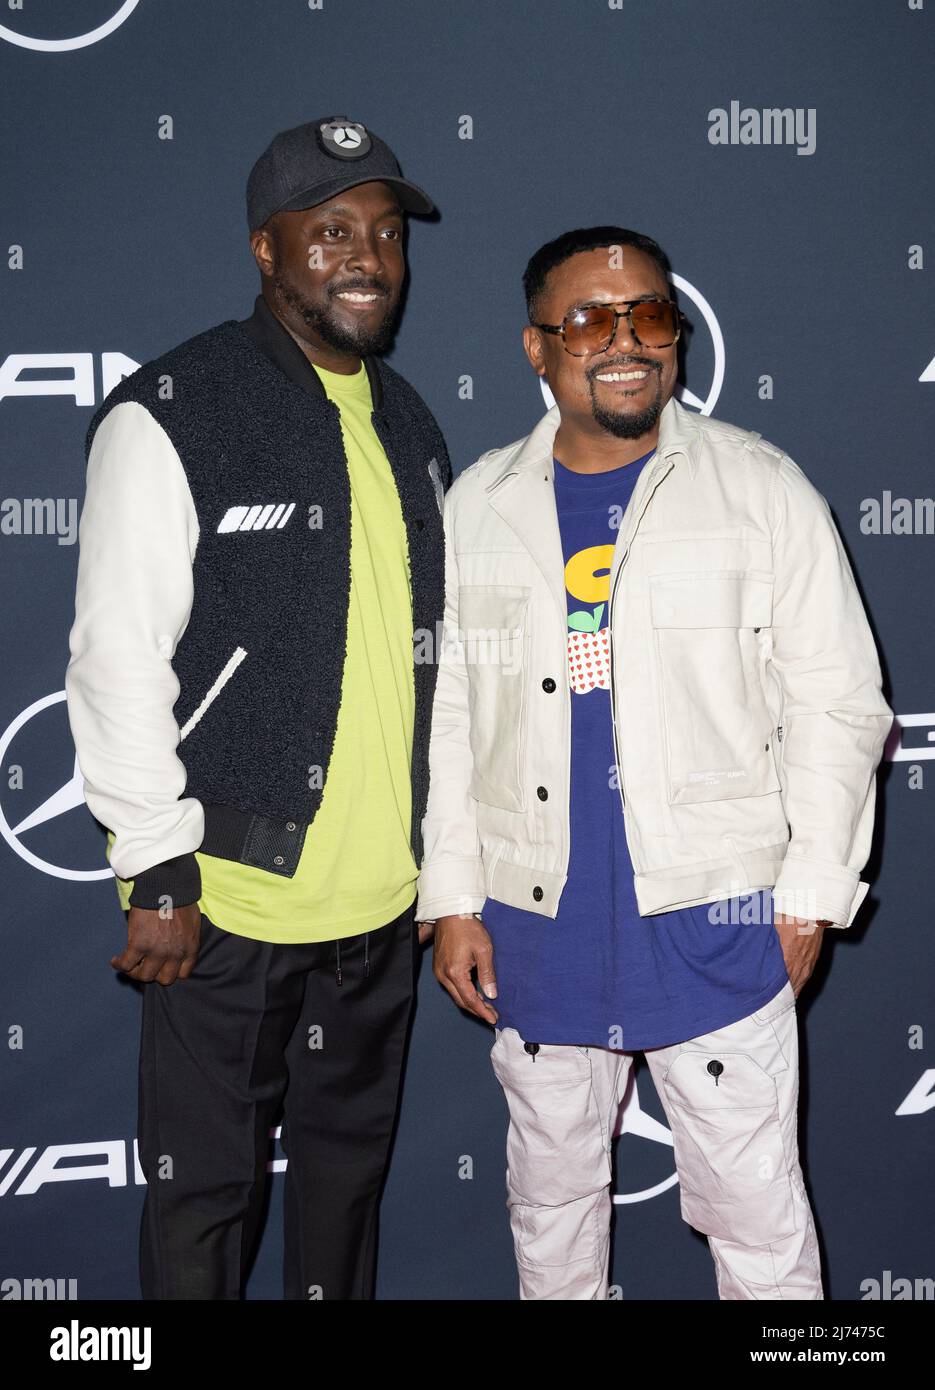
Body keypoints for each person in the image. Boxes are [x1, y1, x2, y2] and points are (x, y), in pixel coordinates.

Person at [416, 226, 892, 1300]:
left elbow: (837, 701)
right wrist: (449, 895)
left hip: (715, 916)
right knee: (550, 1221)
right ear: (535, 348)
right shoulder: (478, 506)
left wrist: (810, 893)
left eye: (647, 316)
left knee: (760, 1226)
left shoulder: (759, 487)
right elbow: (452, 712)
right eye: (586, 319)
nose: (622, 340)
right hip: (536, 920)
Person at [66, 116, 450, 1300]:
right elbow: (114, 650)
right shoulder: (175, 406)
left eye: (384, 232)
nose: (367, 257)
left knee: (344, 1197)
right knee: (205, 1204)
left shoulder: (409, 421)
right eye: (330, 230)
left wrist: (441, 872)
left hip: (377, 910)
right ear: (264, 250)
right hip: (224, 903)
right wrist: (156, 866)